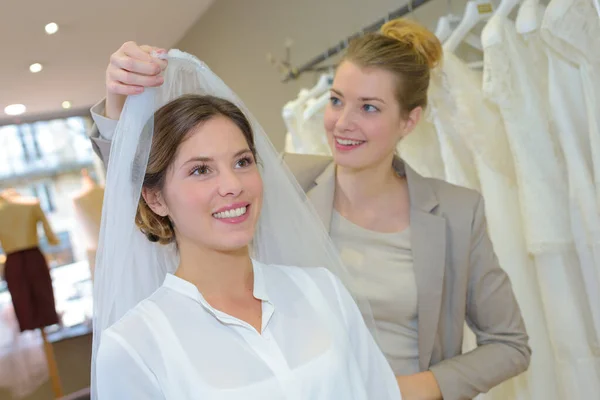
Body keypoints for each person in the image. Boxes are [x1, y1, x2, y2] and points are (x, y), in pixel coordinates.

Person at [89, 18, 530, 400]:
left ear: (408, 121)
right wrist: (118, 107)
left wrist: (401, 388)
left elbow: (509, 343)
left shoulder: (455, 210)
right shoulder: (284, 182)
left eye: (369, 108)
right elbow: (160, 180)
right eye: (336, 100)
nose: (343, 122)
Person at [92, 51, 402, 399]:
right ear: (156, 199)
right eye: (200, 169)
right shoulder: (133, 347)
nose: (233, 185)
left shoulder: (322, 290)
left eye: (242, 162)